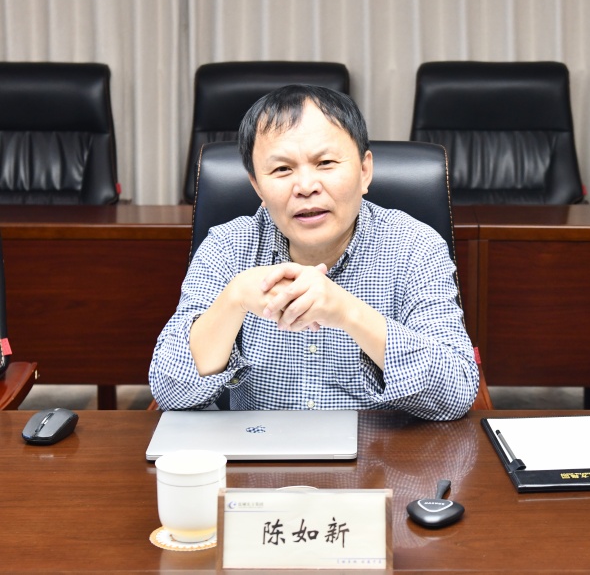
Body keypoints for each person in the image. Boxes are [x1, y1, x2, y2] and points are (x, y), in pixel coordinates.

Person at [149, 85, 478, 420]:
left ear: (364, 171)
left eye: (325, 162)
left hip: (381, 451)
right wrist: (233, 300)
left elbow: (456, 392)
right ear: (257, 185)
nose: (306, 187)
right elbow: (168, 391)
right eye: (282, 169)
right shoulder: (228, 247)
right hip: (259, 450)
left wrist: (348, 313)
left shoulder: (415, 246)